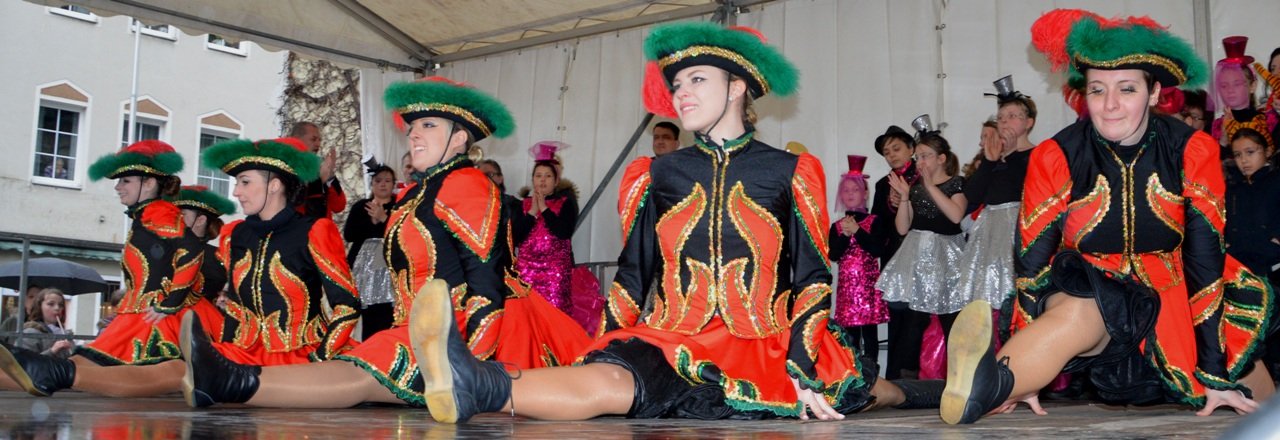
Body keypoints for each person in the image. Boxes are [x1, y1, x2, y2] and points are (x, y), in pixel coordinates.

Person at [389, 22, 941, 424]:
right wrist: (601, 342)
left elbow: (813, 277)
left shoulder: (790, 170)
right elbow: (634, 275)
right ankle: (475, 384)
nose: (682, 94)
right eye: (677, 86)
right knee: (606, 381)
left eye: (697, 80)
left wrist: (800, 360)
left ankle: (945, 390)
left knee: (868, 391)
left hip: (767, 343)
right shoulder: (657, 174)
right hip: (673, 337)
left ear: (738, 87)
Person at [943, 10, 1276, 425]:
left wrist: (1213, 369)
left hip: (1181, 292)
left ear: (1154, 93)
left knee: (1258, 398)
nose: (1111, 104)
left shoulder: (1192, 150)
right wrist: (1022, 351)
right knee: (1077, 311)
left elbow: (1205, 260)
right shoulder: (1057, 155)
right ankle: (991, 381)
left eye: (1127, 89)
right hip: (1093, 290)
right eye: (1098, 90)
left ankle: (981, 383)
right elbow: (1031, 262)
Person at [180, 77, 591, 409]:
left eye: (428, 125)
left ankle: (229, 380)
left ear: (461, 138)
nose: (413, 135)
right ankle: (227, 377)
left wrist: (473, 367)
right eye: (412, 127)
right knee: (364, 371)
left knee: (364, 371)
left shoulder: (466, 183)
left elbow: (486, 283)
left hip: (472, 327)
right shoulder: (420, 192)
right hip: (427, 327)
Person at [0, 140, 219, 398]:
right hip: (135, 313)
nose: (118, 187)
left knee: (124, 372)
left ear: (149, 183)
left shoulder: (158, 212)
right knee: (78, 367)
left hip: (155, 317)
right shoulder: (146, 215)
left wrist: (170, 303)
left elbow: (191, 251)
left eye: (126, 181)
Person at [196, 136, 362, 366]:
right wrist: (223, 357)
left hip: (303, 356)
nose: (236, 192)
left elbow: (347, 305)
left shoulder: (314, 231)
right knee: (185, 368)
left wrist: (322, 356)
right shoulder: (236, 235)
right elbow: (235, 308)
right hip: (245, 354)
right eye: (236, 184)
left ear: (274, 185)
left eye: (245, 182)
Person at [954, 75, 1037, 319]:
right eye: (1000, 117)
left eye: (1012, 116)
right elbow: (970, 200)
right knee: (985, 310)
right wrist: (990, 162)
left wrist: (1009, 155)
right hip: (987, 242)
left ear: (1029, 122)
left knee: (1018, 305)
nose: (1004, 122)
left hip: (1019, 238)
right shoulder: (989, 159)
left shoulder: (1039, 154)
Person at [876, 124, 967, 327]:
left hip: (947, 261)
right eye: (917, 157)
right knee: (913, 324)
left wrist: (930, 186)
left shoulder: (957, 183)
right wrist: (906, 197)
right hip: (918, 260)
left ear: (941, 159)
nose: (920, 162)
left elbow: (955, 215)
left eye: (925, 156)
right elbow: (902, 228)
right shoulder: (915, 189)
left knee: (950, 320)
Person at [868, 125, 926, 380]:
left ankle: (919, 373)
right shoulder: (883, 185)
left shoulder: (926, 177)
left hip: (924, 255)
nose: (892, 155)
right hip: (895, 256)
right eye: (886, 152)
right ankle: (895, 376)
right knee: (896, 318)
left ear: (911, 149)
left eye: (896, 148)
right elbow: (878, 225)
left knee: (921, 316)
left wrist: (906, 202)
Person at [513, 142, 585, 325]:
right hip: (527, 271)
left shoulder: (565, 203)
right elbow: (515, 237)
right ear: (532, 179)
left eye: (547, 176)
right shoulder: (522, 204)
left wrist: (544, 209)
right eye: (538, 176)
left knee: (554, 317)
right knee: (527, 317)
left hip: (555, 272)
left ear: (556, 180)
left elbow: (563, 232)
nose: (542, 180)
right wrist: (531, 212)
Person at [828, 154, 886, 361]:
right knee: (849, 338)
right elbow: (833, 255)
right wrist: (845, 234)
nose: (851, 194)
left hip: (868, 289)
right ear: (841, 194)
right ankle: (852, 375)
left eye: (856, 189)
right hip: (847, 291)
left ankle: (874, 375)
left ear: (865, 192)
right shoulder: (837, 226)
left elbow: (877, 249)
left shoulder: (874, 221)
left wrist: (858, 231)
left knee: (870, 337)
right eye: (846, 190)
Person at [344, 164, 397, 340]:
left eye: (387, 181)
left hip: (391, 270)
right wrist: (372, 222)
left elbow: (402, 233)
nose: (383, 184)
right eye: (378, 181)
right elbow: (349, 234)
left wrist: (384, 219)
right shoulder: (361, 207)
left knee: (389, 315)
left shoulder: (399, 205)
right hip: (364, 272)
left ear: (393, 184)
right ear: (372, 184)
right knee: (369, 316)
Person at [1211, 37, 1278, 154]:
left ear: (1253, 86)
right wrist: (1223, 141)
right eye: (1224, 85)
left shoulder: (1268, 120)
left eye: (1237, 84)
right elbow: (1214, 165)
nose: (1230, 90)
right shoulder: (1217, 125)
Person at [291, 122, 347, 220]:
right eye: (313, 139)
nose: (318, 144)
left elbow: (339, 206)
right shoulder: (285, 167)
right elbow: (292, 206)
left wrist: (330, 177)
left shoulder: (319, 167)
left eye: (319, 140)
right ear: (296, 139)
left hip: (322, 231)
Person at [17, 288, 73, 358]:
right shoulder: (30, 333)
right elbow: (26, 362)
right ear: (39, 307)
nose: (57, 308)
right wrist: (52, 351)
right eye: (51, 304)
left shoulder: (64, 334)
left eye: (60, 305)